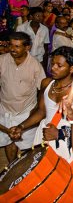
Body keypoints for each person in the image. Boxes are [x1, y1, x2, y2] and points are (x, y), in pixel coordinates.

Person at [10, 47, 73, 174]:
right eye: (52, 63)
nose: (53, 68)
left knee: (66, 176)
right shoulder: (46, 83)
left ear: (72, 69)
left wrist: (60, 133)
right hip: (44, 135)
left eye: (59, 65)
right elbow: (41, 112)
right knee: (42, 174)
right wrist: (21, 126)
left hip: (68, 140)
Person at [0, 32, 45, 162]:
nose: (12, 49)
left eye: (17, 46)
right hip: (5, 110)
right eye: (11, 45)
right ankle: (11, 168)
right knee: (9, 142)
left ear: (27, 48)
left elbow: (42, 90)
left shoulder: (35, 65)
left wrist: (36, 110)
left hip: (26, 112)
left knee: (28, 147)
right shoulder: (2, 60)